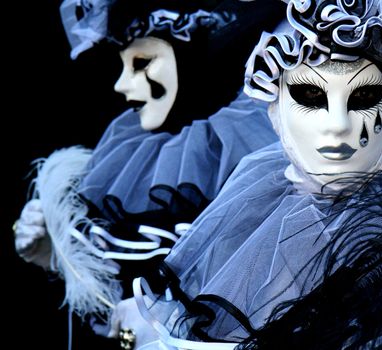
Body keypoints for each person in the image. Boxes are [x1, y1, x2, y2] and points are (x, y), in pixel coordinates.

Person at [125, 0, 382, 348]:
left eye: (364, 96)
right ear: (274, 108)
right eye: (311, 96)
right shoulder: (249, 225)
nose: (338, 125)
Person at [13, 0, 284, 343]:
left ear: (195, 56)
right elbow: (111, 297)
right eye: (124, 64)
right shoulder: (128, 157)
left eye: (142, 63)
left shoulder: (253, 151)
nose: (121, 84)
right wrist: (54, 255)